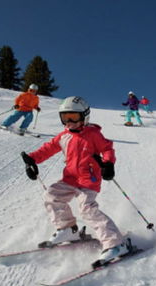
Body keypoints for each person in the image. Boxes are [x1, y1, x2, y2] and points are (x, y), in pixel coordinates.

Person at [21, 96, 130, 264]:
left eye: (73, 117)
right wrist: (32, 159)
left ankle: (115, 244)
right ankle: (68, 229)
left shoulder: (93, 134)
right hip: (70, 178)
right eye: (65, 117)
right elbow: (48, 148)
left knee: (87, 209)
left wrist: (108, 164)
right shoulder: (64, 136)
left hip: (89, 179)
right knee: (51, 195)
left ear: (84, 117)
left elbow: (107, 148)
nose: (69, 121)